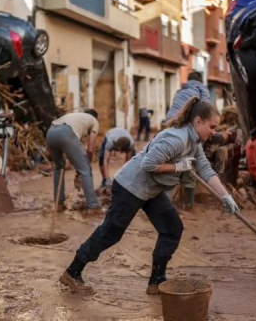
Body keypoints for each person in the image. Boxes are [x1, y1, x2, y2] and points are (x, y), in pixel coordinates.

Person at [59, 97, 240, 295]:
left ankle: (157, 280)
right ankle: (72, 271)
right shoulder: (177, 139)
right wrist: (178, 166)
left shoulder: (194, 141)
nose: (214, 132)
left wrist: (225, 196)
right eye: (211, 126)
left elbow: (204, 168)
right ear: (198, 122)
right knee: (111, 233)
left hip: (151, 189)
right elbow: (148, 164)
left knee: (172, 228)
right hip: (130, 186)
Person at [163, 71, 213, 209]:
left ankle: (164, 204)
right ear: (200, 81)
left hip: (170, 125)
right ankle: (189, 204)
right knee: (191, 163)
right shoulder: (202, 90)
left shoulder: (180, 91)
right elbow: (207, 111)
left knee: (170, 163)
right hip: (186, 128)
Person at [46, 109, 102, 212]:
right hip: (66, 132)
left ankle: (59, 204)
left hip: (50, 133)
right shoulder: (94, 121)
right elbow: (90, 149)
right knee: (85, 170)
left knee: (59, 167)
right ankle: (93, 206)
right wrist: (86, 163)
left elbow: (72, 151)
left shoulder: (76, 117)